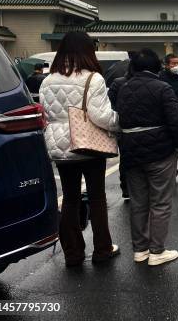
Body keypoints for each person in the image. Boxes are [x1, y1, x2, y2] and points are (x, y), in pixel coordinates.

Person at [39, 31, 119, 267]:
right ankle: (102, 249)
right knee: (97, 197)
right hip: (87, 144)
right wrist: (118, 122)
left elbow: (45, 113)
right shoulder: (93, 78)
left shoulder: (48, 79)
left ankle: (73, 253)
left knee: (70, 198)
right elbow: (100, 115)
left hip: (60, 146)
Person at [115, 49, 178, 266]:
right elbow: (176, 121)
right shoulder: (162, 87)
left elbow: (116, 118)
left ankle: (140, 250)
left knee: (138, 203)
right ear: (157, 67)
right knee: (160, 202)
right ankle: (157, 251)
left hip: (131, 152)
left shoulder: (121, 87)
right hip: (160, 151)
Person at [108, 65, 132, 200]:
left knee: (125, 158)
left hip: (122, 126)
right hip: (141, 126)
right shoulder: (146, 82)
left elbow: (109, 103)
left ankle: (126, 187)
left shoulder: (117, 82)